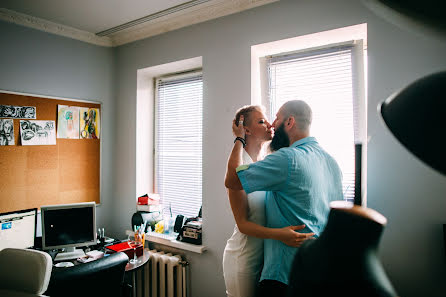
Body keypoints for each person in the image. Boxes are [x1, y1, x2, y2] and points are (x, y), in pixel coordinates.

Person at [225, 100, 344, 297]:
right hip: (316, 270)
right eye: (264, 121)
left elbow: (232, 179)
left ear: (289, 122)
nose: (272, 124)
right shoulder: (332, 163)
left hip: (284, 274)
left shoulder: (285, 159)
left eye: (276, 119)